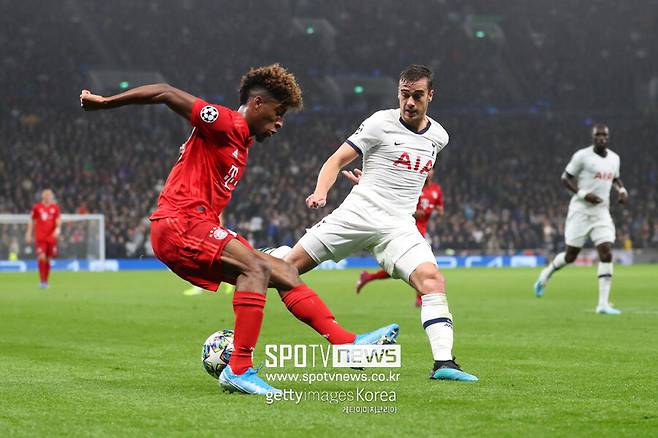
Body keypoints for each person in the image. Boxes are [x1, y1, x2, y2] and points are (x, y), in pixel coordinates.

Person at [80, 64, 398, 396]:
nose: (280, 123)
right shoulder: (225, 122)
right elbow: (165, 92)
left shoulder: (240, 143)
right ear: (257, 103)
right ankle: (240, 369)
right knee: (256, 268)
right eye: (278, 113)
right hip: (179, 223)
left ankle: (347, 345)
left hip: (196, 225)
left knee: (284, 271)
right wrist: (105, 102)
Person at [281, 65, 477, 381]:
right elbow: (336, 160)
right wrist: (321, 192)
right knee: (286, 269)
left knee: (431, 280)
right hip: (358, 214)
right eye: (404, 94)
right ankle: (273, 261)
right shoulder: (379, 123)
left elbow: (406, 176)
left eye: (417, 95)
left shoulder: (439, 137)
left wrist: (373, 179)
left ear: (430, 95)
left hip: (398, 226)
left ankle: (444, 364)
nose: (409, 102)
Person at [534, 124, 628, 314]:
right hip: (580, 212)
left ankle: (603, 304)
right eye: (598, 135)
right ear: (593, 137)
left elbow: (615, 178)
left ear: (608, 137)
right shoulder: (582, 156)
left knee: (606, 253)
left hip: (601, 212)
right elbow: (565, 178)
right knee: (570, 256)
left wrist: (622, 190)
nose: (601, 138)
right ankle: (546, 274)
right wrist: (584, 194)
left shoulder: (614, 158)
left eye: (604, 135)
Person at [352, 168, 444, 307]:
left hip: (421, 230)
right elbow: (400, 207)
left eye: (431, 170)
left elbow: (440, 209)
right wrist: (415, 213)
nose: (429, 172)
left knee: (405, 267)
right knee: (418, 265)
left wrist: (434, 210)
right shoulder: (414, 187)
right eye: (427, 170)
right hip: (407, 229)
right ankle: (420, 298)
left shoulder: (436, 189)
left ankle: (368, 277)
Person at [25, 189, 61, 288]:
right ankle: (42, 281)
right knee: (42, 257)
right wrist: (29, 233)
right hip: (40, 237)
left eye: (50, 195)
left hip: (51, 238)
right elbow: (32, 220)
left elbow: (58, 220)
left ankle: (46, 281)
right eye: (47, 195)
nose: (49, 197)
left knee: (48, 259)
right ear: (43, 196)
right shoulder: (37, 207)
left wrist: (57, 229)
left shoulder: (55, 208)